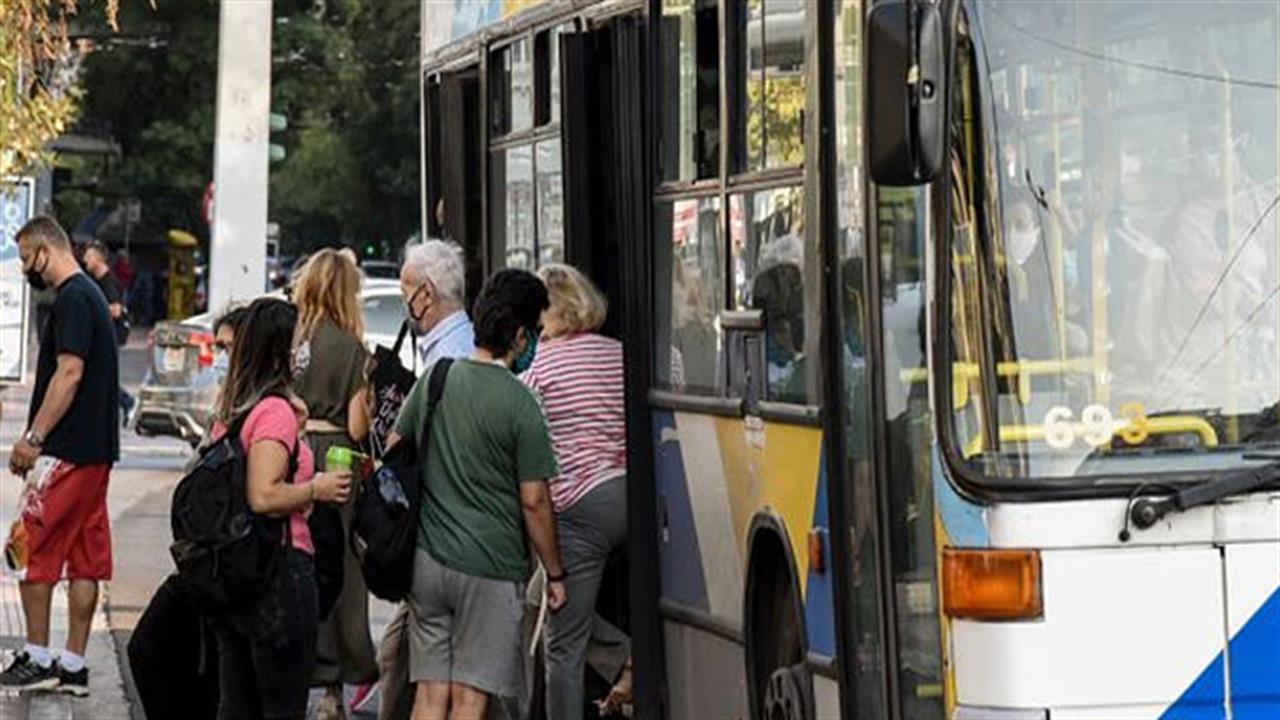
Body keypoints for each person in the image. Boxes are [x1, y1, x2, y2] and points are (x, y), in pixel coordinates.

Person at [388, 269, 567, 720]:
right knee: (470, 698)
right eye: (537, 332)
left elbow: (395, 447)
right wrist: (555, 573)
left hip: (427, 563)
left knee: (430, 694)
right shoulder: (521, 404)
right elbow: (534, 500)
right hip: (489, 567)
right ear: (520, 335)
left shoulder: (437, 379)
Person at [205, 297, 351, 719]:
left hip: (242, 573)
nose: (305, 350)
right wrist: (315, 488)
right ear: (279, 351)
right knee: (280, 707)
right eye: (299, 342)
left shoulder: (237, 410)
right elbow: (263, 495)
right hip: (279, 574)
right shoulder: (274, 414)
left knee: (239, 705)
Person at [1, 216, 119, 696]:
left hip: (66, 451)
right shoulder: (91, 294)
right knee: (85, 559)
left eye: (29, 259)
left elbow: (68, 374)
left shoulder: (71, 298)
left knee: (26, 549)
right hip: (96, 452)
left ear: (46, 248)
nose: (30, 271)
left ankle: (38, 655)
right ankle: (72, 662)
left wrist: (33, 436)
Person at [126, 303, 248, 720]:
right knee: (154, 652)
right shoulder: (224, 407)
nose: (222, 357)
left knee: (201, 673)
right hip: (201, 560)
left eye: (230, 347)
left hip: (229, 565)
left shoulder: (265, 411)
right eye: (219, 346)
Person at [520, 264, 630, 718]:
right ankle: (625, 658)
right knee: (534, 600)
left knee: (561, 647)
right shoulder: (620, 353)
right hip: (630, 497)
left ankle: (626, 659)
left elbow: (518, 428)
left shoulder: (539, 367)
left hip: (579, 507)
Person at [375, 239, 474, 720]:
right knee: (401, 659)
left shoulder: (449, 356)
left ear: (426, 294)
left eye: (406, 292)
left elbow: (411, 441)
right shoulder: (449, 346)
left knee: (436, 677)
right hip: (447, 536)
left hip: (440, 537)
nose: (405, 305)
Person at [290, 248, 375, 720]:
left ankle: (296, 667)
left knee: (297, 558)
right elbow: (360, 427)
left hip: (291, 454)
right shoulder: (353, 349)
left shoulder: (291, 340)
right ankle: (333, 686)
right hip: (338, 460)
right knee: (340, 568)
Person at [82, 240, 134, 417]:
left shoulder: (107, 280)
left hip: (111, 334)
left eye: (88, 256)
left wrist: (94, 310)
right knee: (99, 376)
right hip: (104, 335)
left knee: (101, 377)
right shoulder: (97, 279)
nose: (85, 260)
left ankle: (128, 403)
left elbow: (116, 310)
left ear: (98, 259)